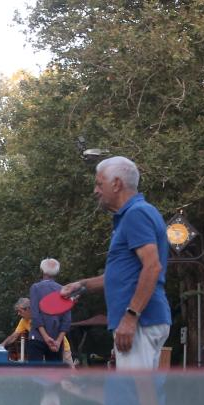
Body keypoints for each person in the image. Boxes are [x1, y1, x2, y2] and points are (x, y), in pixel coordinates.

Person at [61, 156, 171, 369]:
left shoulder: (136, 214)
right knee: (142, 397)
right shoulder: (134, 214)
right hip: (144, 320)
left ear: (117, 184)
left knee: (134, 397)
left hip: (141, 322)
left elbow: (153, 266)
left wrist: (130, 317)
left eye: (99, 184)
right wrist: (82, 285)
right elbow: (121, 276)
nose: (95, 190)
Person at [1, 297, 76, 367]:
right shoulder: (23, 321)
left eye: (20, 311)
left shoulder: (43, 316)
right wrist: (2, 345)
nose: (18, 314)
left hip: (61, 348)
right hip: (43, 351)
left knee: (69, 375)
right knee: (46, 377)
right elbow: (14, 335)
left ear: (28, 309)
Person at [27, 258, 71, 364]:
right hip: (57, 340)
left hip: (37, 337)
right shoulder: (64, 290)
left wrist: (46, 337)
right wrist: (59, 341)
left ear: (42, 270)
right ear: (57, 272)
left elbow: (35, 315)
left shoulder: (36, 288)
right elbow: (67, 319)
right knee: (54, 376)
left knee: (34, 375)